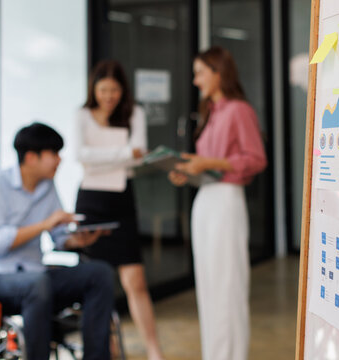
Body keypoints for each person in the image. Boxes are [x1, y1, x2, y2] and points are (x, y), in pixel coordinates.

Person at [0, 122, 114, 360]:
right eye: (54, 154)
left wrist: (79, 240)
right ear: (31, 157)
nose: (60, 160)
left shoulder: (47, 186)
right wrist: (44, 225)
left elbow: (58, 238)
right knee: (38, 284)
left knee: (99, 273)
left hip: (37, 277)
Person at [168, 46, 267, 360]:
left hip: (226, 201)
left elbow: (255, 159)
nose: (196, 81)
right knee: (209, 288)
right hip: (205, 199)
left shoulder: (239, 110)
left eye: (200, 73)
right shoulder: (211, 112)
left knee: (227, 288)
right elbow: (210, 163)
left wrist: (209, 162)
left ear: (218, 72)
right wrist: (189, 171)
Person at [74, 60, 166, 360]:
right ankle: (106, 348)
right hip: (90, 201)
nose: (108, 96)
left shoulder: (134, 113)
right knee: (96, 281)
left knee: (134, 280)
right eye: (103, 90)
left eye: (114, 90)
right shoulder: (83, 115)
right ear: (94, 89)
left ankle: (153, 349)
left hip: (121, 199)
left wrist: (105, 157)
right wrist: (124, 153)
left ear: (122, 90)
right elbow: (81, 156)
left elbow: (139, 159)